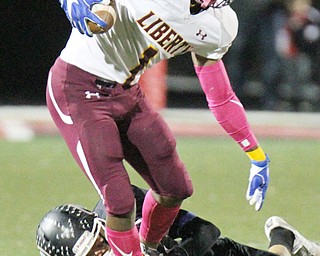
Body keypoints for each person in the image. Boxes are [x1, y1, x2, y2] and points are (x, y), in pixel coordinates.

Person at [47, 0, 270, 255]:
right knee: (119, 201)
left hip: (125, 92)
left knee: (174, 187)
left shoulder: (219, 24)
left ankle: (147, 247)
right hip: (77, 87)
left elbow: (221, 96)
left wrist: (256, 155)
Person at [35, 185, 320, 256]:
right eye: (90, 255)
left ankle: (284, 238)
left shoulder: (125, 207)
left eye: (99, 243)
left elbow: (207, 231)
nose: (102, 252)